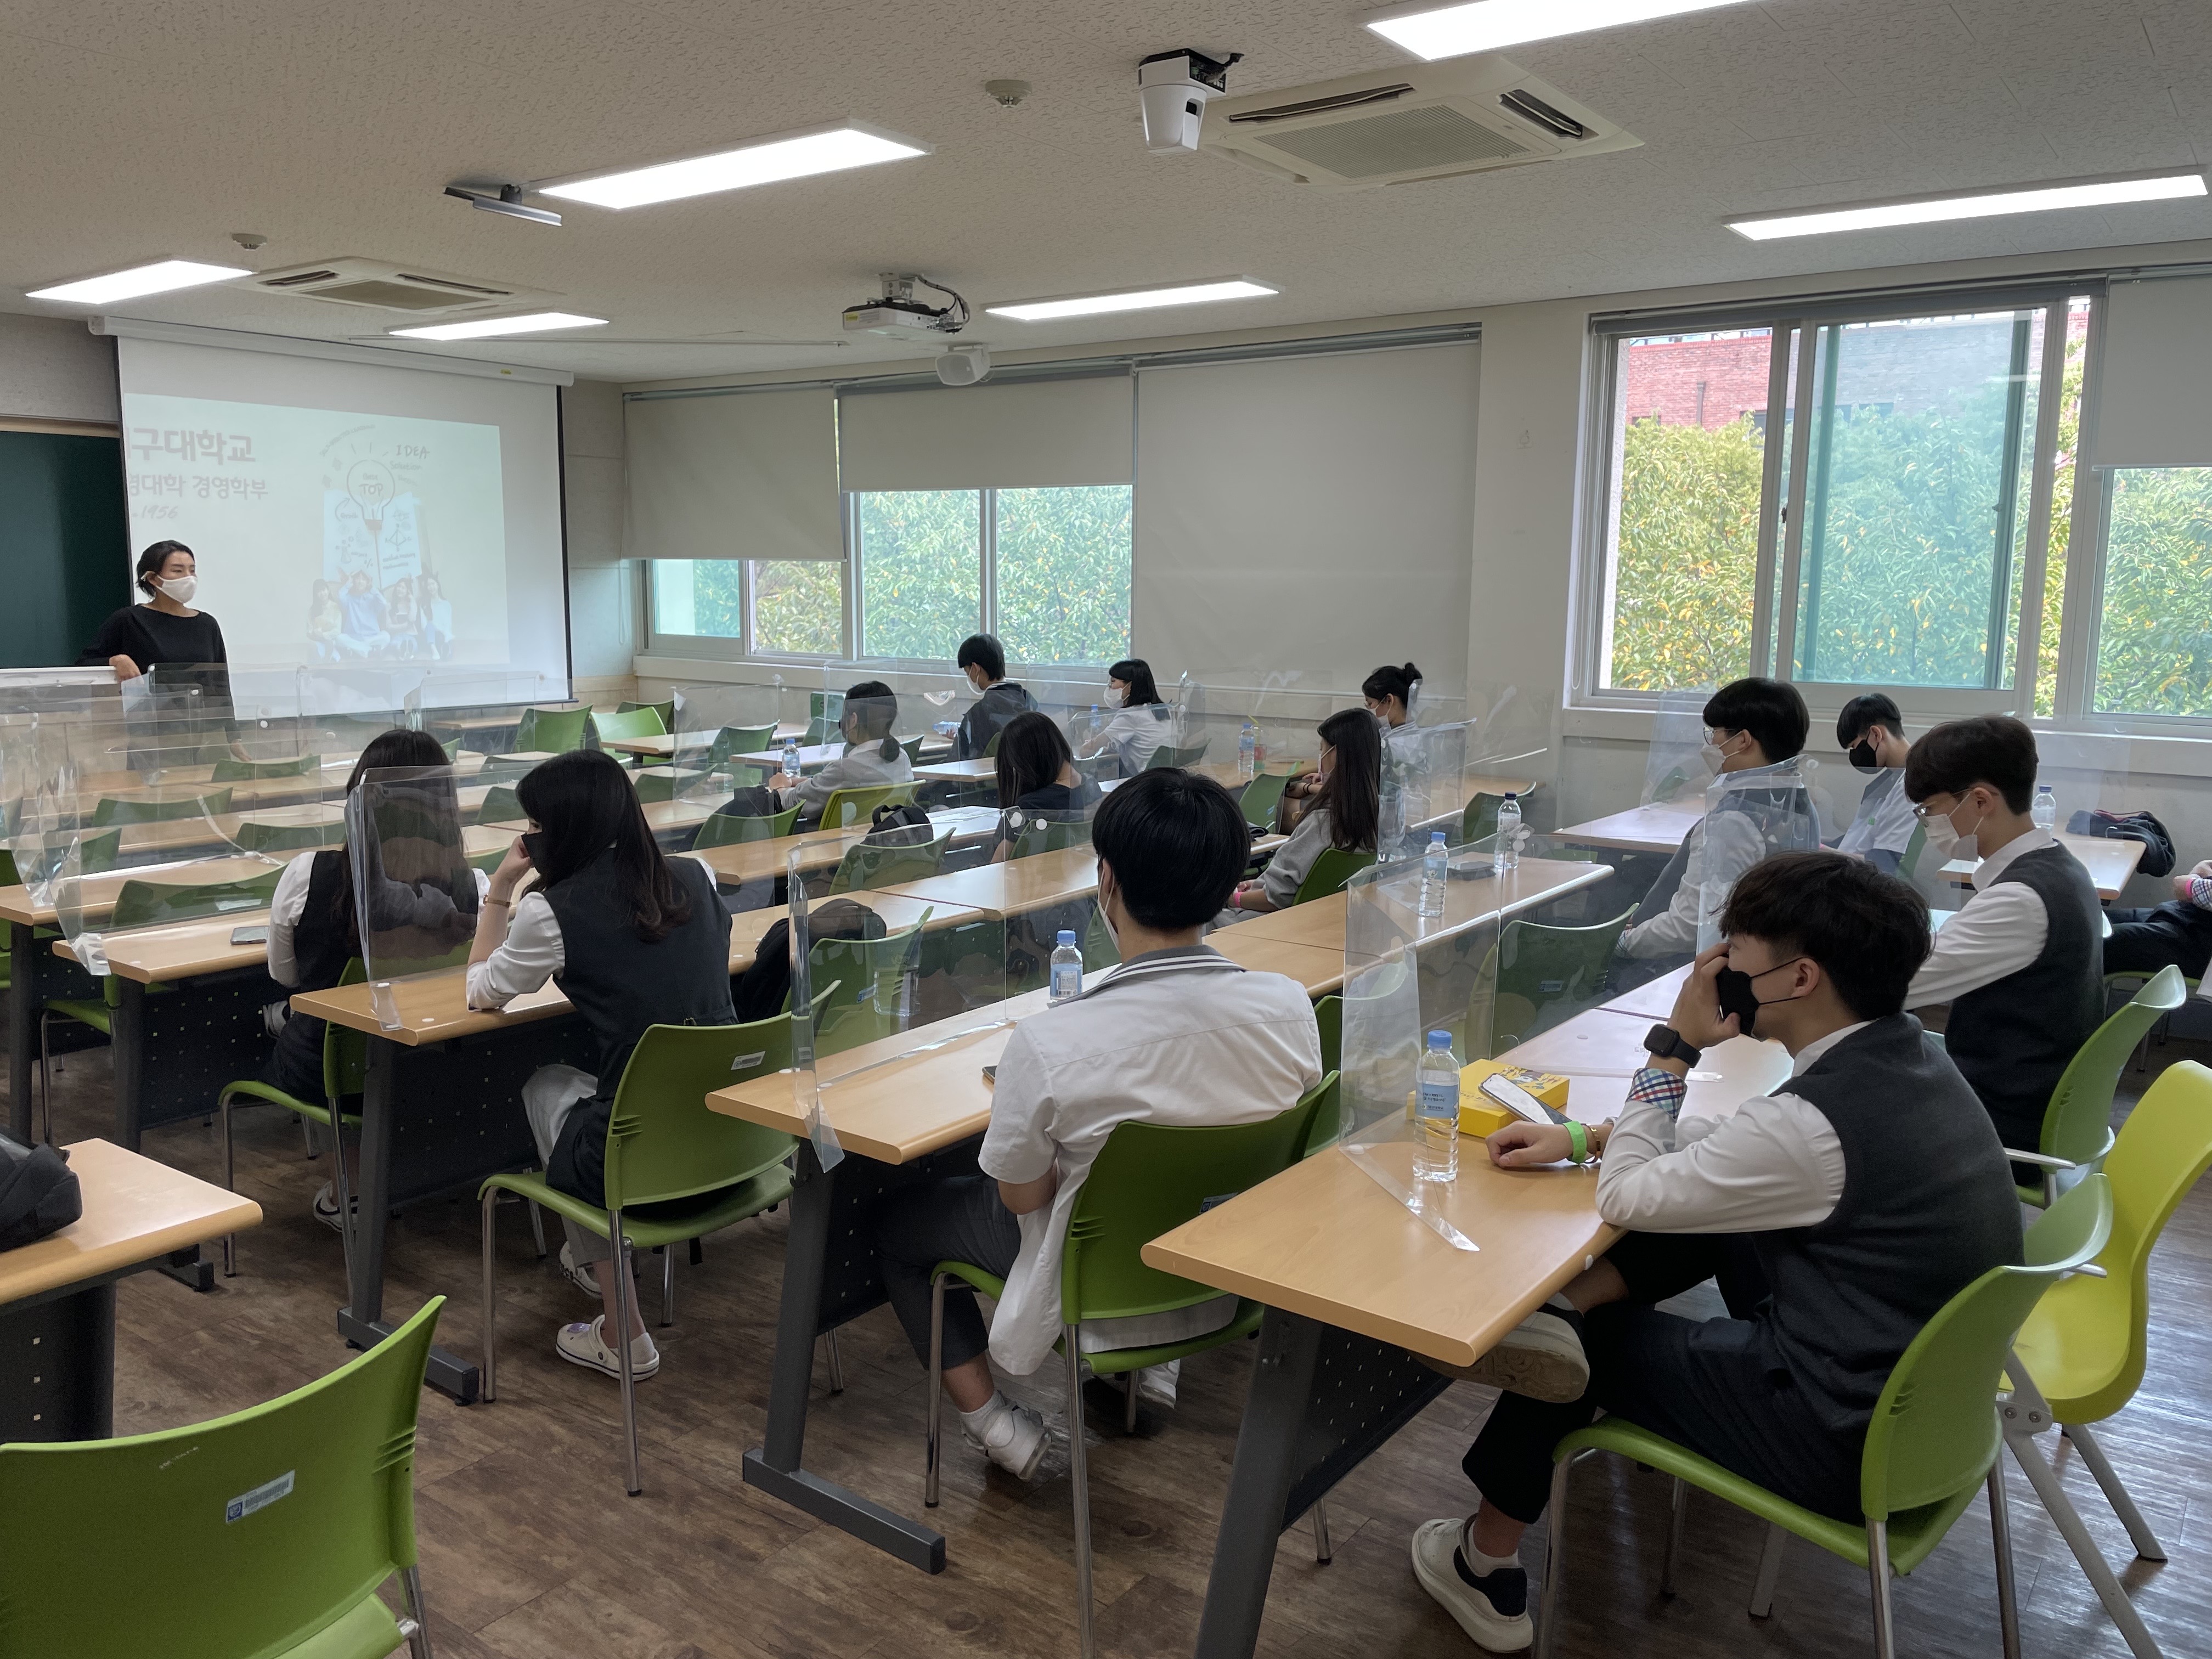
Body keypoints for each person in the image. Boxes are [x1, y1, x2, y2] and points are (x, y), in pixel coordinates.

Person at [1415, 852, 2023, 1651]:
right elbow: (1740, 1150)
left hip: (1838, 1439)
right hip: (1927, 1409)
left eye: (1735, 952)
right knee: (1717, 1222)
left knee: (1579, 1352)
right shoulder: (1908, 1056)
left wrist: (1672, 1047)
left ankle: (1483, 1564)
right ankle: (1568, 1303)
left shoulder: (1813, 1125)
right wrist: (1585, 1135)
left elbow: (1626, 1197)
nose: (1719, 967)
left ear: (1799, 979)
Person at [870, 769, 1323, 1476]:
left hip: (1092, 1288)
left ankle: (998, 1430)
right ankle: (1155, 1370)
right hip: (1224, 1280)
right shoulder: (1291, 1009)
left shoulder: (1051, 1042)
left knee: (899, 1225)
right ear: (1227, 884)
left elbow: (1021, 1196)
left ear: (1106, 881)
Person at [466, 748, 736, 1381]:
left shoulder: (551, 911)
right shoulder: (695, 874)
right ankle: (592, 1258)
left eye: (536, 824)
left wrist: (500, 890)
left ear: (563, 830)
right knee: (595, 1087)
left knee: (546, 1091)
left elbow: (481, 991)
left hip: (642, 1155)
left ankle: (623, 1330)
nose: (529, 836)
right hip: (729, 1136)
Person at [263, 726, 481, 1228]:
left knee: (309, 1026)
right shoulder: (476, 888)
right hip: (432, 1062)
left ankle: (352, 1189)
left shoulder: (306, 874)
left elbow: (285, 974)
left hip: (333, 1067)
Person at [1903, 715, 2103, 1170]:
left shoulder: (2020, 900)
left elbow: (1896, 984)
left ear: (1980, 800)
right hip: (2029, 1088)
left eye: (1930, 809)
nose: (1928, 824)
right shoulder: (2062, 867)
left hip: (2002, 1116)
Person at [1614, 677, 1813, 985]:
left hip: (1686, 973)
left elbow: (1690, 926)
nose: (1710, 744)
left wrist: (1621, 944)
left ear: (1743, 740)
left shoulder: (1733, 821)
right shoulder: (1797, 802)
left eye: (1715, 733)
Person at [1224, 708, 1379, 915]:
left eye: (1322, 749)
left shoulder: (1324, 822)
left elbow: (1275, 898)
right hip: (1316, 918)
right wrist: (1259, 884)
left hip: (1264, 919)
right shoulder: (1375, 818)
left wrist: (1232, 899)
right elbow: (1297, 886)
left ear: (1335, 755)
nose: (1320, 757)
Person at [79, 540, 228, 682]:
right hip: (147, 701)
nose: (189, 577)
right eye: (178, 571)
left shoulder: (208, 624)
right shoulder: (129, 620)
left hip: (201, 702)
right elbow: (85, 664)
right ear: (153, 578)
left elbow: (220, 682)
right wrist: (116, 661)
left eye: (192, 570)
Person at [775, 680, 913, 827]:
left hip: (838, 839)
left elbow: (794, 804)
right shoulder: (902, 758)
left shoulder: (846, 770)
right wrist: (811, 782)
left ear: (853, 720)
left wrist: (779, 788)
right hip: (883, 835)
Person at [988, 710, 1101, 863]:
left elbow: (997, 866)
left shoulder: (1029, 807)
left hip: (1033, 876)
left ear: (1026, 761)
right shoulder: (1091, 787)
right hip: (1074, 873)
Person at [1831, 692, 1916, 873]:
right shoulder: (1889, 781)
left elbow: (1884, 862)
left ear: (1876, 734)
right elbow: (1858, 840)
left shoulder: (1910, 787)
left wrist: (1821, 852)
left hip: (1867, 880)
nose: (1855, 755)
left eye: (1855, 746)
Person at [2104, 857, 2212, 984]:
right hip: (2186, 915)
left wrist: (2190, 886)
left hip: (2198, 943)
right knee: (2092, 920)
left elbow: (2184, 886)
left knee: (2095, 941)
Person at [1074, 658, 1173, 775]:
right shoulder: (1160, 709)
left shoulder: (1130, 715)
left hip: (1149, 780)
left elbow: (1086, 751)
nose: (1109, 686)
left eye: (1113, 681)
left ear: (1130, 686)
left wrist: (1090, 745)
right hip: (1168, 777)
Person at [953, 634, 1039, 760]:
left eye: (967, 673)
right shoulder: (1029, 700)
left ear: (975, 669)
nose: (968, 677)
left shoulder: (978, 714)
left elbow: (958, 761)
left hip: (991, 772)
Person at [335, 569, 391, 658]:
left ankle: (359, 649)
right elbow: (340, 596)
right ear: (354, 581)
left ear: (368, 583)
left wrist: (372, 587)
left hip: (372, 637)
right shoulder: (349, 598)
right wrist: (348, 584)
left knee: (386, 636)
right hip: (353, 637)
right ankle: (368, 650)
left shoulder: (373, 598)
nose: (360, 582)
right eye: (358, 579)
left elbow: (384, 603)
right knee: (339, 638)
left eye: (363, 579)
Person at [306, 580, 343, 663]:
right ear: (315, 594)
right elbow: (310, 629)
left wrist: (324, 635)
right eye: (318, 591)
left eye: (323, 590)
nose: (322, 593)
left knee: (333, 658)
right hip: (317, 641)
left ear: (328, 590)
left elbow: (337, 630)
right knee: (315, 653)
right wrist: (314, 634)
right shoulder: (313, 610)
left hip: (331, 641)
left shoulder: (335, 607)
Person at [385, 577, 421, 659]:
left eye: (403, 588)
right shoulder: (389, 606)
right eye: (399, 586)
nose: (400, 589)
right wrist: (403, 626)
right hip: (397, 636)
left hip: (411, 635)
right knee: (397, 644)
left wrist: (412, 600)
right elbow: (388, 626)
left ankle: (407, 653)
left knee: (413, 645)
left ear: (408, 591)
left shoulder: (411, 604)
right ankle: (404, 653)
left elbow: (412, 619)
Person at [421, 572, 454, 659]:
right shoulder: (424, 604)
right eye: (428, 585)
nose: (431, 587)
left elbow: (448, 625)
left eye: (433, 584)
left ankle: (445, 649)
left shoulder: (446, 604)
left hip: (443, 634)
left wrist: (446, 638)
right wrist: (436, 628)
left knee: (443, 638)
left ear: (438, 585)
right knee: (430, 625)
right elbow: (424, 626)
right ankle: (434, 650)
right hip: (430, 636)